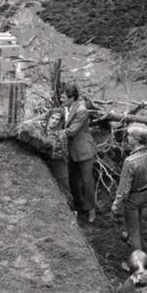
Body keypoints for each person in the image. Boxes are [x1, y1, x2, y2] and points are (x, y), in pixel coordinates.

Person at [111, 122, 147, 264]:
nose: (127, 138)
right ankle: (130, 235)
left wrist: (116, 203)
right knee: (136, 219)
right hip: (146, 193)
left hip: (133, 198)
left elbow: (124, 187)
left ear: (136, 139)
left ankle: (136, 263)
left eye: (129, 135)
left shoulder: (130, 161)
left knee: (134, 232)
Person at [59, 83, 97, 225]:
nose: (61, 99)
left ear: (72, 98)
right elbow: (54, 115)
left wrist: (54, 133)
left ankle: (91, 209)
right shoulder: (66, 107)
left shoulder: (81, 111)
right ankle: (78, 204)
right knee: (73, 180)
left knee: (87, 182)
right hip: (71, 151)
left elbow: (72, 131)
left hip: (84, 151)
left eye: (64, 97)